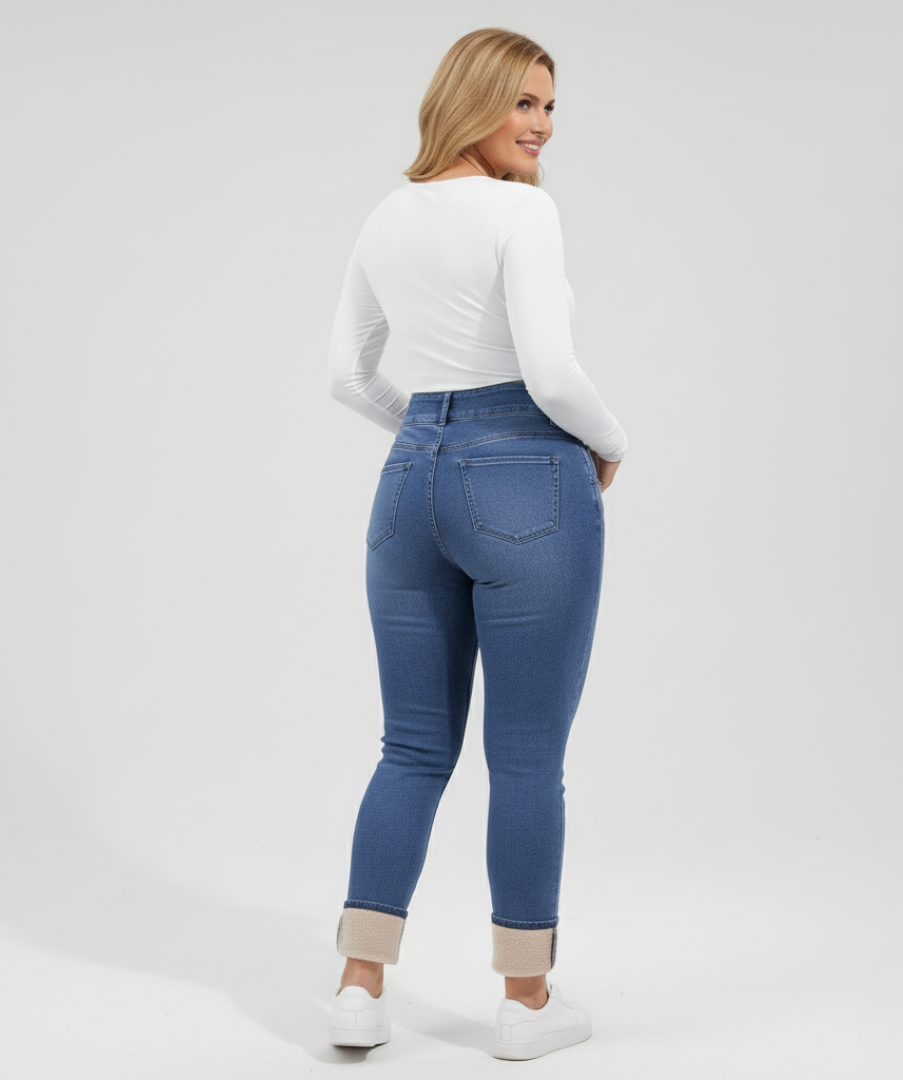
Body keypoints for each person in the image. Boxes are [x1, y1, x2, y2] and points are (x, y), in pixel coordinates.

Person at [325, 27, 627, 1061]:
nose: (543, 127)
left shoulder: (386, 214)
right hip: (527, 475)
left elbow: (346, 375)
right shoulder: (521, 213)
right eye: (524, 103)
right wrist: (611, 442)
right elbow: (550, 373)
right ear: (474, 99)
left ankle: (358, 987)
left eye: (550, 108)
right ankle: (526, 1004)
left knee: (410, 748)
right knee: (527, 757)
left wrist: (433, 440)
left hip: (408, 483)